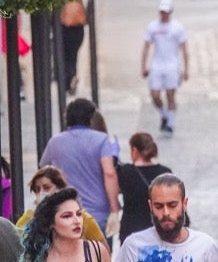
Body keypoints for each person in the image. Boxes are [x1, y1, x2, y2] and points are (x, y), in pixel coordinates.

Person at [39, 97, 121, 237]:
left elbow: (43, 170)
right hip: (98, 211)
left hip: (65, 210)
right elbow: (109, 173)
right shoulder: (101, 140)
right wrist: (114, 209)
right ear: (90, 117)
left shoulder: (55, 142)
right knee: (99, 254)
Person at [14, 165, 107, 247]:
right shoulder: (30, 217)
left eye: (47, 187)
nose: (41, 193)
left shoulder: (82, 218)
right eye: (37, 189)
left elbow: (104, 252)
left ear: (60, 188)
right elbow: (16, 238)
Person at [140, 0, 189, 135]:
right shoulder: (153, 27)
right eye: (161, 12)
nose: (163, 14)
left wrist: (186, 69)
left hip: (172, 65)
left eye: (166, 12)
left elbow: (184, 48)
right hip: (157, 65)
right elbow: (146, 47)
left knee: (170, 95)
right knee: (155, 95)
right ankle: (165, 114)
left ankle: (170, 124)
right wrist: (143, 66)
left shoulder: (177, 27)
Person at [118, 132, 173, 244]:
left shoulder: (125, 172)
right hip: (158, 230)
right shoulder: (165, 172)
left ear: (134, 150)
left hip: (131, 231)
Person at [60, 0, 87, 95]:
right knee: (73, 56)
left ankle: (68, 80)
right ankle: (72, 77)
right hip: (78, 30)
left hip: (65, 29)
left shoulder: (62, 1)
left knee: (65, 57)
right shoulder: (78, 1)